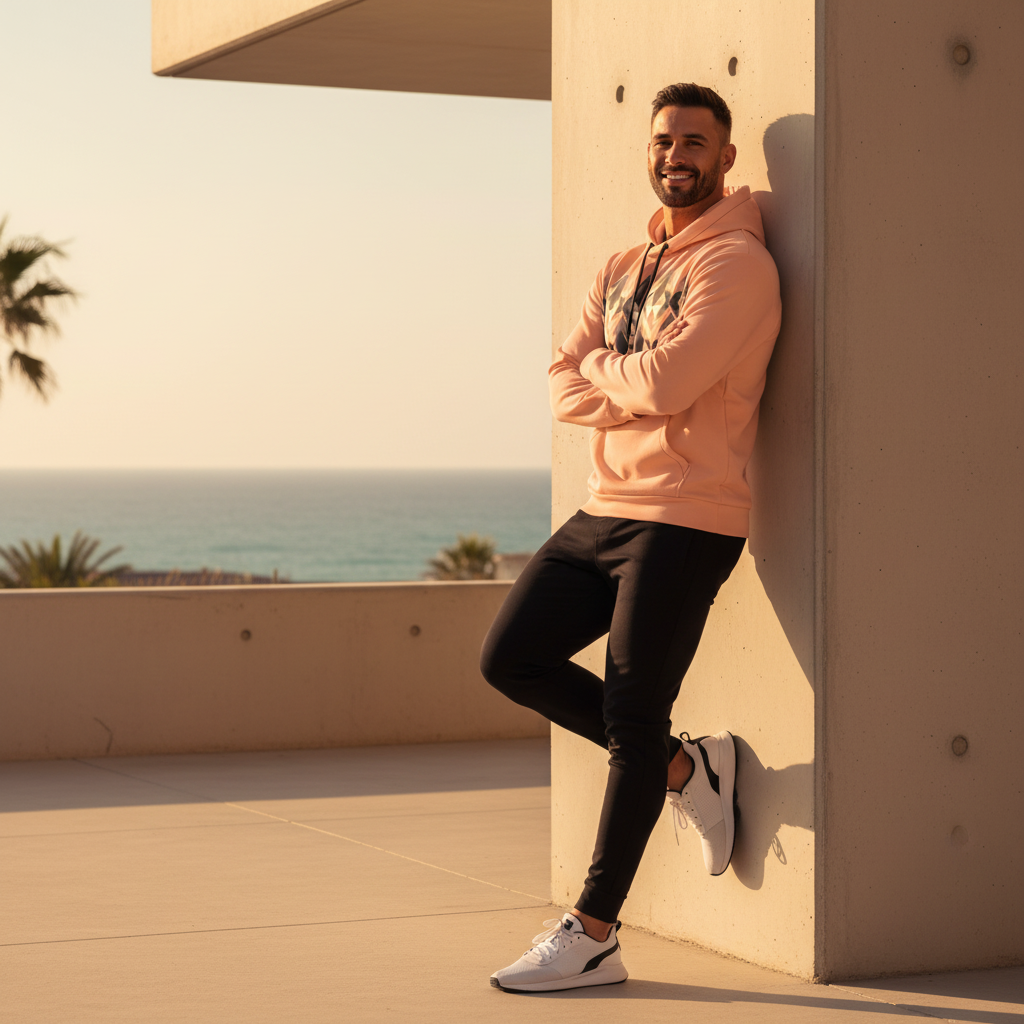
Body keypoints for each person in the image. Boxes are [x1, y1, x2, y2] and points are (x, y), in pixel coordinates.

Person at [480, 83, 782, 993]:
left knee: (630, 721)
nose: (675, 155)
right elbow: (560, 382)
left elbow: (668, 383)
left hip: (687, 517)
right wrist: (630, 381)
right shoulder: (622, 264)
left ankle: (594, 933)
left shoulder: (738, 264)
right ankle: (689, 770)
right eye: (663, 140)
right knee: (510, 658)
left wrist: (610, 376)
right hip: (606, 506)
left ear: (725, 158)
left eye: (694, 141)